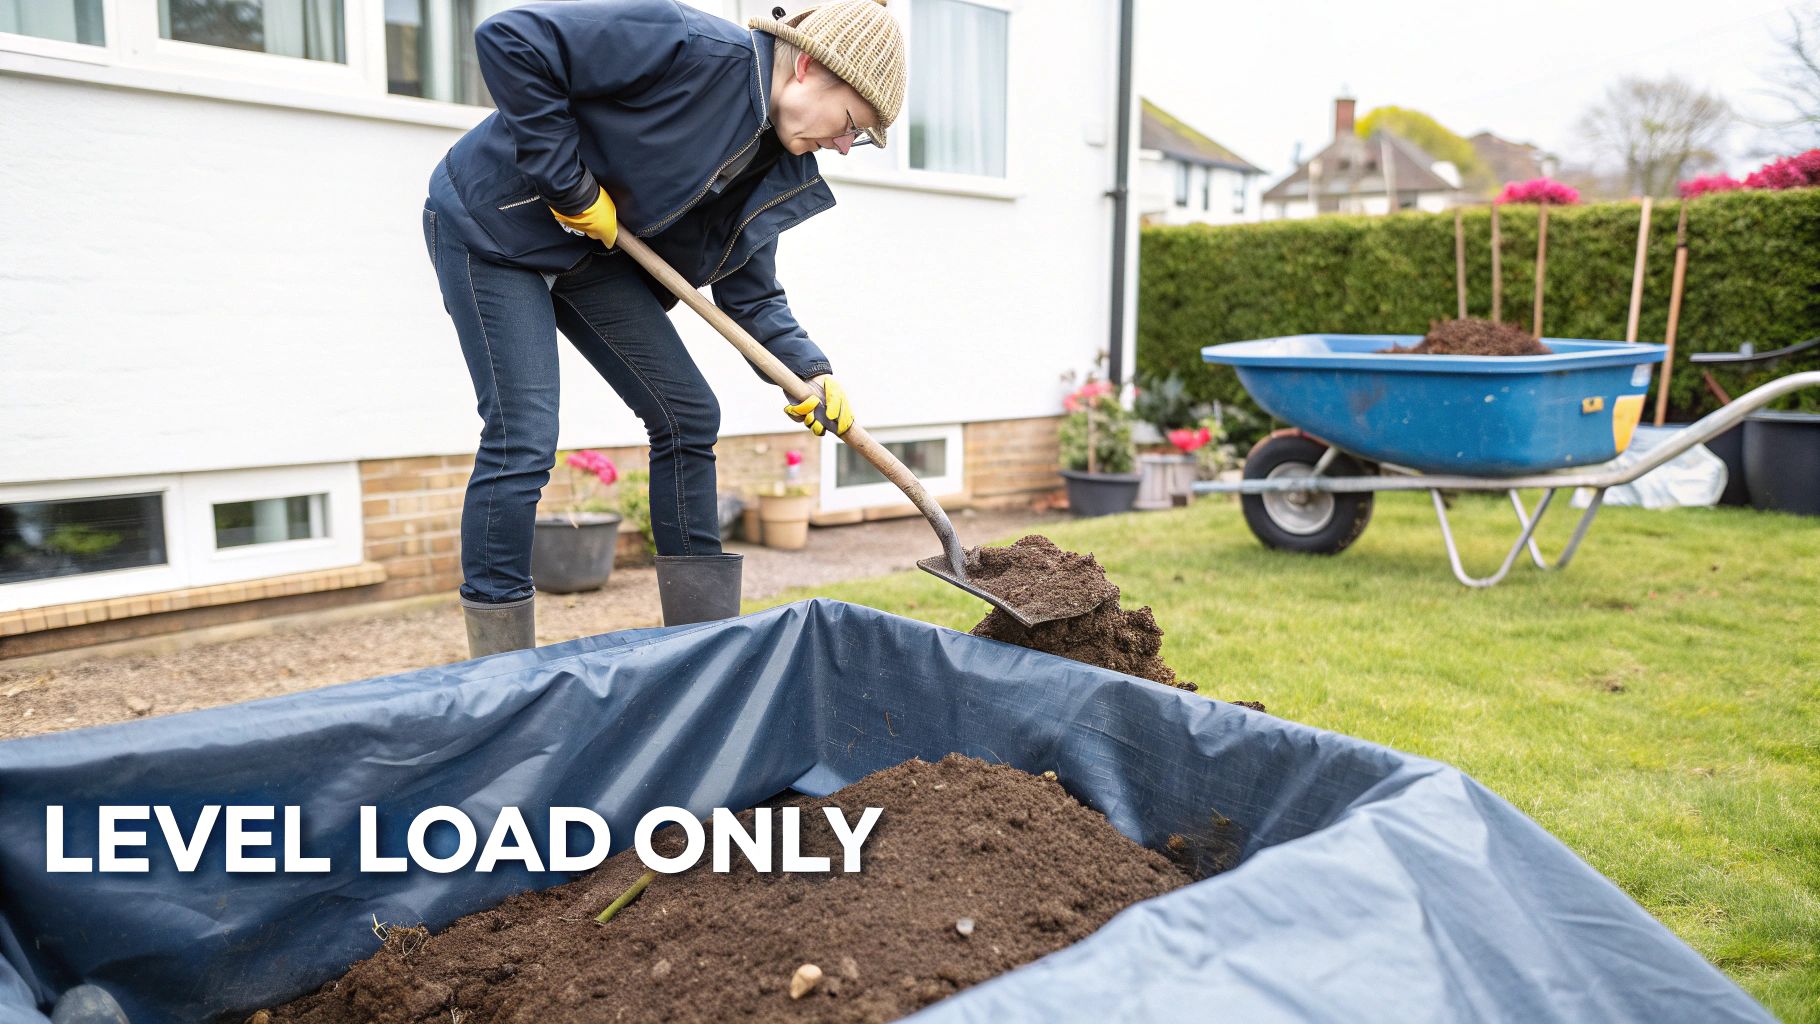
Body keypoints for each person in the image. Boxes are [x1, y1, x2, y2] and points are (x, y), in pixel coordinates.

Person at [420, 0, 906, 658]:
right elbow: (511, 39)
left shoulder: (774, 161)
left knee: (688, 415)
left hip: (588, 253)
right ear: (808, 68)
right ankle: (500, 665)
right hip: (493, 225)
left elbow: (749, 286)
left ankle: (701, 649)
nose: (846, 145)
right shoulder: (688, 44)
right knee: (523, 435)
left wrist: (809, 370)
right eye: (852, 123)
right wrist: (568, 185)